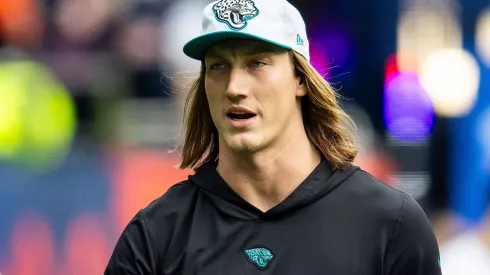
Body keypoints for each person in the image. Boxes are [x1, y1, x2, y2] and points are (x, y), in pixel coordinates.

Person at [104, 0, 443, 274]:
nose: (235, 88)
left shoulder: (390, 225)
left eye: (257, 63)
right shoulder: (156, 235)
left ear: (301, 79)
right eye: (218, 66)